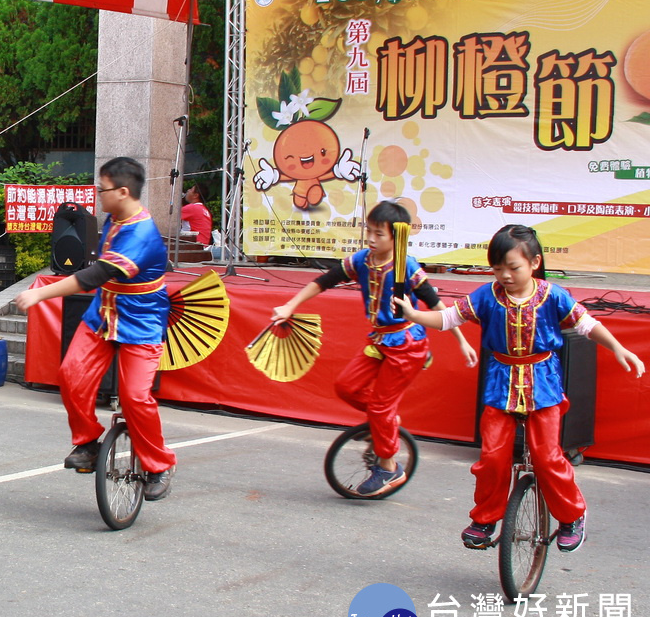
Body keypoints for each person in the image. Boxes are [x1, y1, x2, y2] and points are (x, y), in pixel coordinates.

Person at [395, 224, 644, 552]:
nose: (505, 275)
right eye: (498, 269)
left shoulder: (553, 295)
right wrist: (414, 313)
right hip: (501, 383)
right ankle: (484, 518)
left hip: (543, 383)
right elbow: (449, 319)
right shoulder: (486, 295)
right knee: (493, 456)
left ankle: (571, 517)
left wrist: (617, 348)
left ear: (534, 262)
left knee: (546, 456)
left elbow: (587, 325)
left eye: (513, 267)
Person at [270, 200, 477, 496]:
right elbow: (324, 281)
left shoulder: (406, 265)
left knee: (380, 406)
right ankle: (386, 422)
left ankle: (389, 468)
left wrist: (461, 340)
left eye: (379, 234)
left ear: (397, 237)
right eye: (369, 230)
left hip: (407, 344)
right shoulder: (362, 261)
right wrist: (290, 305)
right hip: (379, 340)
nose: (371, 238)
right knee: (346, 387)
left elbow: (436, 305)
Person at [14, 157, 177, 501]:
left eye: (101, 189)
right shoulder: (115, 216)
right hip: (103, 315)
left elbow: (94, 276)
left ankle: (159, 464)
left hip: (142, 322)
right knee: (71, 374)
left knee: (134, 397)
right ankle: (88, 441)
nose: (96, 195)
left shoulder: (142, 234)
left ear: (122, 191)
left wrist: (40, 293)